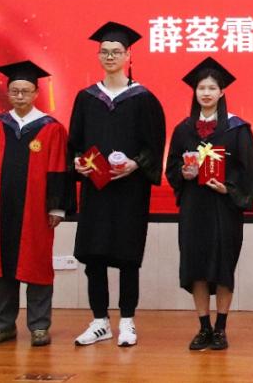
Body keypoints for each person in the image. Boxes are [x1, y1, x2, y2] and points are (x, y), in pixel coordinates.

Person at [70, 21, 166, 347]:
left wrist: (136, 164)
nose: (110, 56)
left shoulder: (143, 99)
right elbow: (75, 143)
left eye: (116, 51)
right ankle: (100, 321)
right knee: (94, 255)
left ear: (128, 55)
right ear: (98, 56)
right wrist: (78, 162)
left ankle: (127, 320)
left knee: (127, 256)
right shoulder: (86, 98)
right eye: (104, 52)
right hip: (96, 189)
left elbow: (154, 145)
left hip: (129, 190)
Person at [0, 61, 73, 348]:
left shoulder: (51, 128)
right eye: (14, 91)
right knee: (4, 266)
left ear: (36, 93)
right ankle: (1, 325)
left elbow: (59, 169)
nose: (19, 96)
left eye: (25, 91)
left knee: (37, 264)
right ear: (8, 92)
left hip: (37, 210)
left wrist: (56, 207)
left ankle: (39, 326)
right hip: (2, 209)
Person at [165, 57, 253, 351]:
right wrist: (183, 173)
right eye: (201, 88)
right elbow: (171, 167)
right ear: (195, 92)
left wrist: (227, 187)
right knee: (196, 266)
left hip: (224, 207)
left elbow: (248, 170)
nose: (206, 93)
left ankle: (220, 328)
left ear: (221, 92)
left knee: (223, 267)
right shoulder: (183, 129)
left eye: (212, 88)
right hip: (194, 207)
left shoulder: (237, 129)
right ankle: (203, 327)